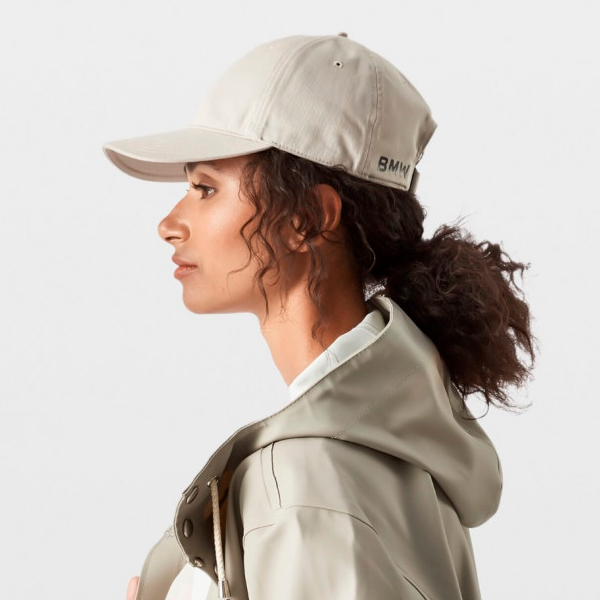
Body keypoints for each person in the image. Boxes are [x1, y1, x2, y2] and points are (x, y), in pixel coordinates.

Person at [102, 32, 537, 600]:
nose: (169, 224)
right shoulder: (402, 455)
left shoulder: (301, 485)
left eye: (205, 188)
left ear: (307, 218)